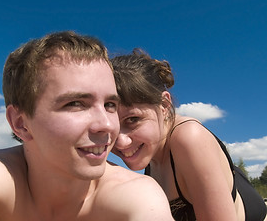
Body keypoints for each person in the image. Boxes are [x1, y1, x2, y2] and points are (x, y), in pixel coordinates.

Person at [0, 32, 174, 221]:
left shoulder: (137, 195)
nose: (107, 125)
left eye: (110, 104)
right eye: (75, 104)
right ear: (20, 123)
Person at [110, 49, 267, 221]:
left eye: (133, 119)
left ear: (164, 104)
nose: (121, 142)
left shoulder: (189, 138)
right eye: (111, 126)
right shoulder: (151, 154)